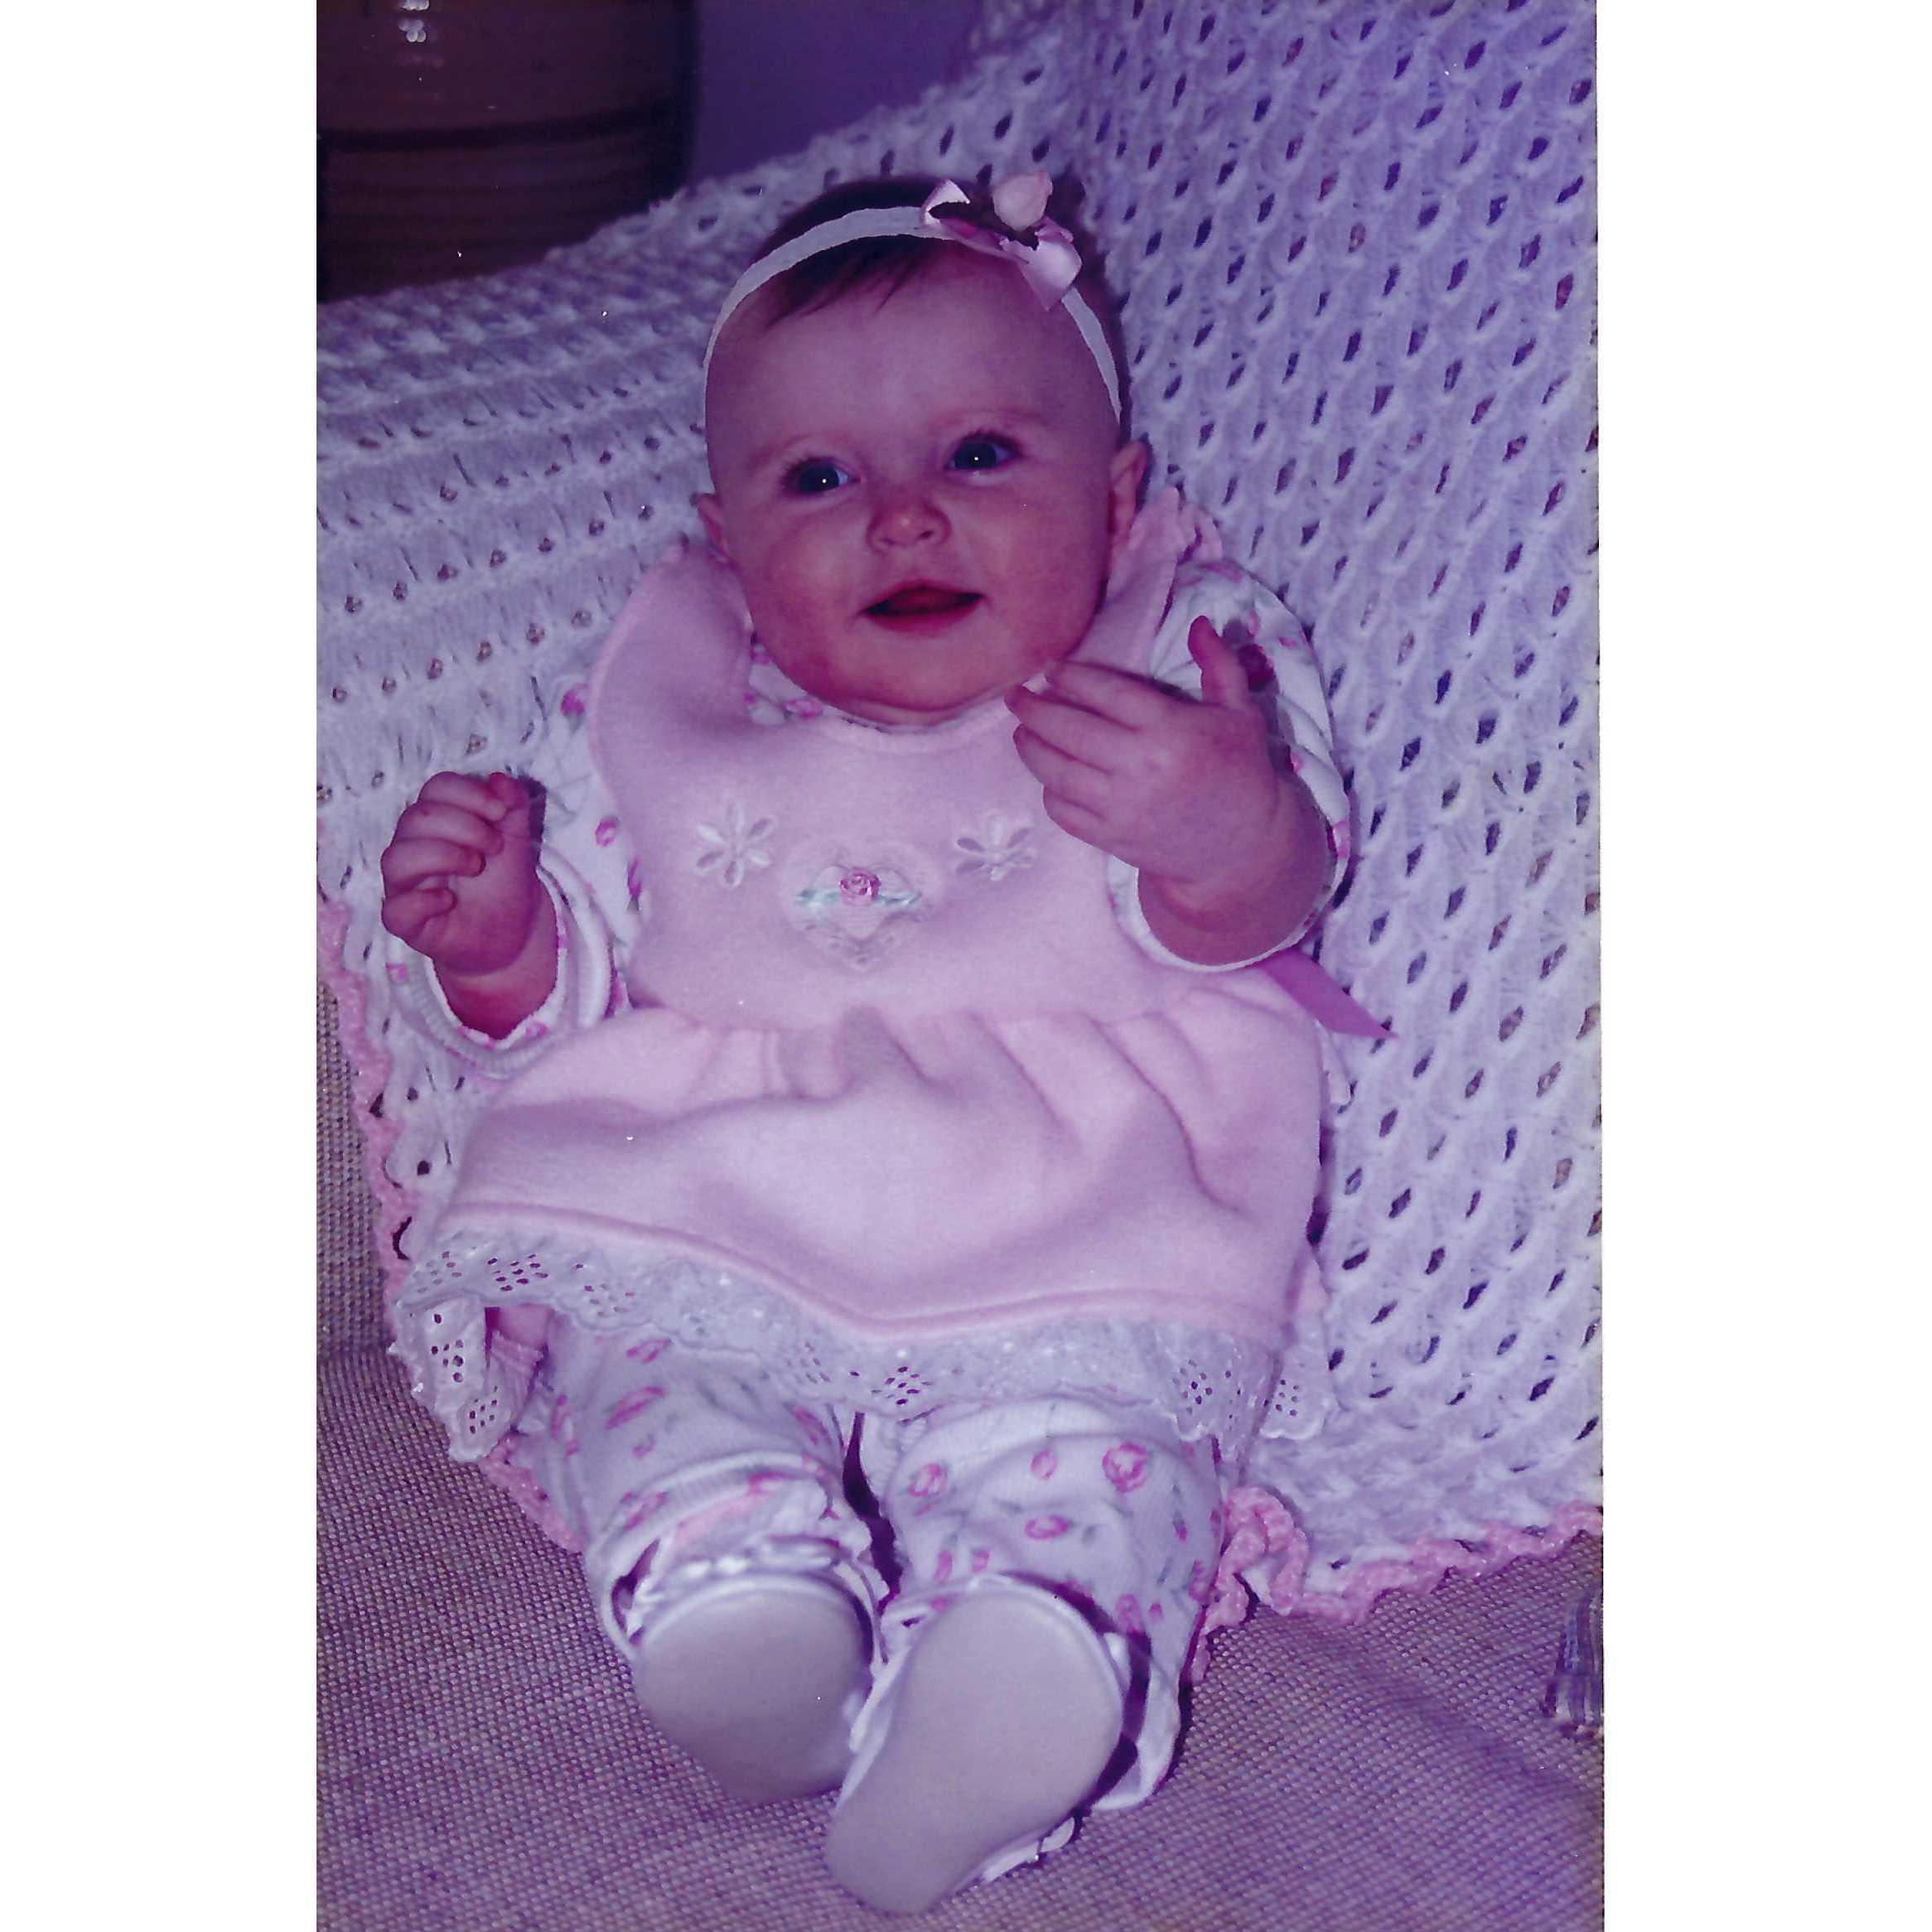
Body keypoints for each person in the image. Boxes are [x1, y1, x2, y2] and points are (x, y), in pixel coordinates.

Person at [377, 171, 1355, 1914]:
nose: (903, 518)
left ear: (1114, 499)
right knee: (654, 1358)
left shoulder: (1180, 657)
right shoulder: (664, 691)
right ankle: (737, 1600)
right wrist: (501, 933)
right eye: (819, 479)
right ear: (727, 540)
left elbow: (1271, 900)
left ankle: (1018, 1667)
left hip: (1074, 1188)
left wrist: (1222, 820)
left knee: (1085, 1437)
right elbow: (569, 991)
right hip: (720, 1176)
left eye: (979, 455)